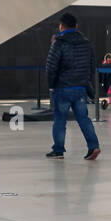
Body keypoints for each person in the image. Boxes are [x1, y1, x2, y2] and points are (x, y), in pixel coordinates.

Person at [45, 13, 100, 161]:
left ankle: (58, 150)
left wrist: (51, 85)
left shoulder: (59, 42)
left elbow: (51, 67)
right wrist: (85, 81)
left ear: (61, 26)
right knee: (84, 119)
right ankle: (93, 146)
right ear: (76, 26)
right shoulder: (86, 43)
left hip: (62, 88)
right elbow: (91, 66)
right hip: (80, 88)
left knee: (60, 120)